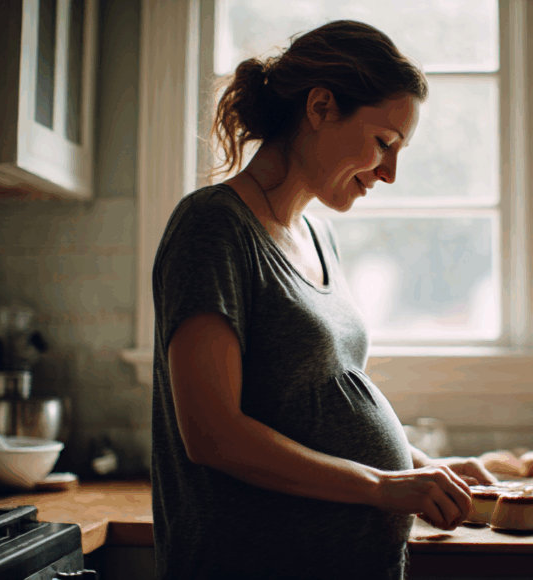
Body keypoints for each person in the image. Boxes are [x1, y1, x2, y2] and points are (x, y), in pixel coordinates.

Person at [151, 20, 496, 579]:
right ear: (320, 107)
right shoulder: (212, 226)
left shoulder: (317, 236)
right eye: (384, 143)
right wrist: (382, 485)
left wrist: (423, 469)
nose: (390, 173)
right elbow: (213, 435)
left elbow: (302, 405)